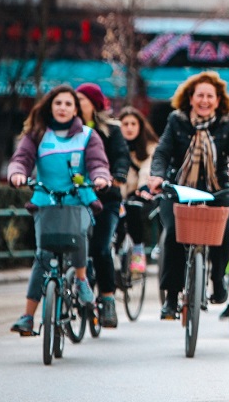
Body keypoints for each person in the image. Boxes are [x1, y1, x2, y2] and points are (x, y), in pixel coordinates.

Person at [148, 71, 229, 320]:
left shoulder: (226, 124)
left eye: (210, 96)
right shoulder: (176, 120)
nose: (205, 101)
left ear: (218, 100)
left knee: (226, 234)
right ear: (190, 98)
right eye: (200, 96)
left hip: (217, 187)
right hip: (179, 188)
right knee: (173, 235)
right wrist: (157, 176)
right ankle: (172, 298)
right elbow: (162, 152)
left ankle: (218, 281)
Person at [7, 85, 111, 335]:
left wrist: (100, 178)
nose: (62, 108)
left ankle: (82, 280)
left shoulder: (88, 136)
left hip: (79, 199)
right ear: (49, 107)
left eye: (68, 104)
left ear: (76, 109)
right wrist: (18, 174)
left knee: (79, 238)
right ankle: (28, 316)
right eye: (58, 103)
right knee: (43, 257)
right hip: (47, 201)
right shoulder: (37, 134)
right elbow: (21, 159)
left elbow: (98, 163)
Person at [75, 83, 130, 329]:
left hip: (105, 197)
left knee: (100, 247)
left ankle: (107, 298)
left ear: (94, 104)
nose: (75, 105)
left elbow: (121, 156)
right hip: (74, 195)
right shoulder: (66, 130)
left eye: (81, 100)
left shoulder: (111, 130)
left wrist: (117, 175)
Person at [116, 106, 159, 273]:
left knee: (133, 209)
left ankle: (139, 250)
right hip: (116, 193)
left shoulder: (150, 147)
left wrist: (143, 187)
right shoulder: (113, 144)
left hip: (140, 193)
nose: (129, 127)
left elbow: (146, 170)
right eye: (125, 123)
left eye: (133, 123)